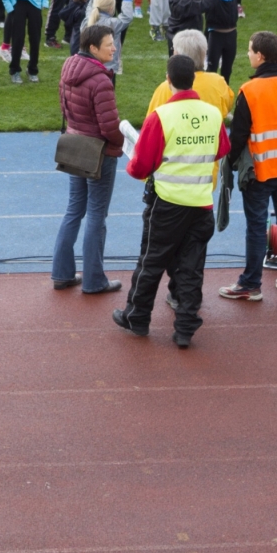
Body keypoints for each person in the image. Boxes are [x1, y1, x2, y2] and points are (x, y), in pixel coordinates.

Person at [113, 52, 230, 350]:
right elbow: (220, 150)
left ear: (168, 80)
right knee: (191, 268)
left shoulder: (161, 116)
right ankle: (185, 329)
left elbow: (140, 167)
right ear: (194, 79)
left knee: (151, 261)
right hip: (201, 204)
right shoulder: (212, 114)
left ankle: (137, 318)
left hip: (167, 204)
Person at [219, 30, 277, 302]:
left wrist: (232, 161)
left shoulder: (250, 90)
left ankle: (251, 284)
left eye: (249, 51)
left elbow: (237, 136)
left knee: (256, 226)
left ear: (260, 56)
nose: (247, 54)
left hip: (259, 172)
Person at [54, 23, 134, 296]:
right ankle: (94, 280)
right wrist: (125, 143)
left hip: (75, 146)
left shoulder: (69, 67)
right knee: (97, 215)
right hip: (99, 153)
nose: (114, 48)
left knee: (74, 210)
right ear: (93, 48)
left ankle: (62, 273)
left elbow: (65, 108)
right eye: (109, 44)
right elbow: (109, 126)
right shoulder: (100, 79)